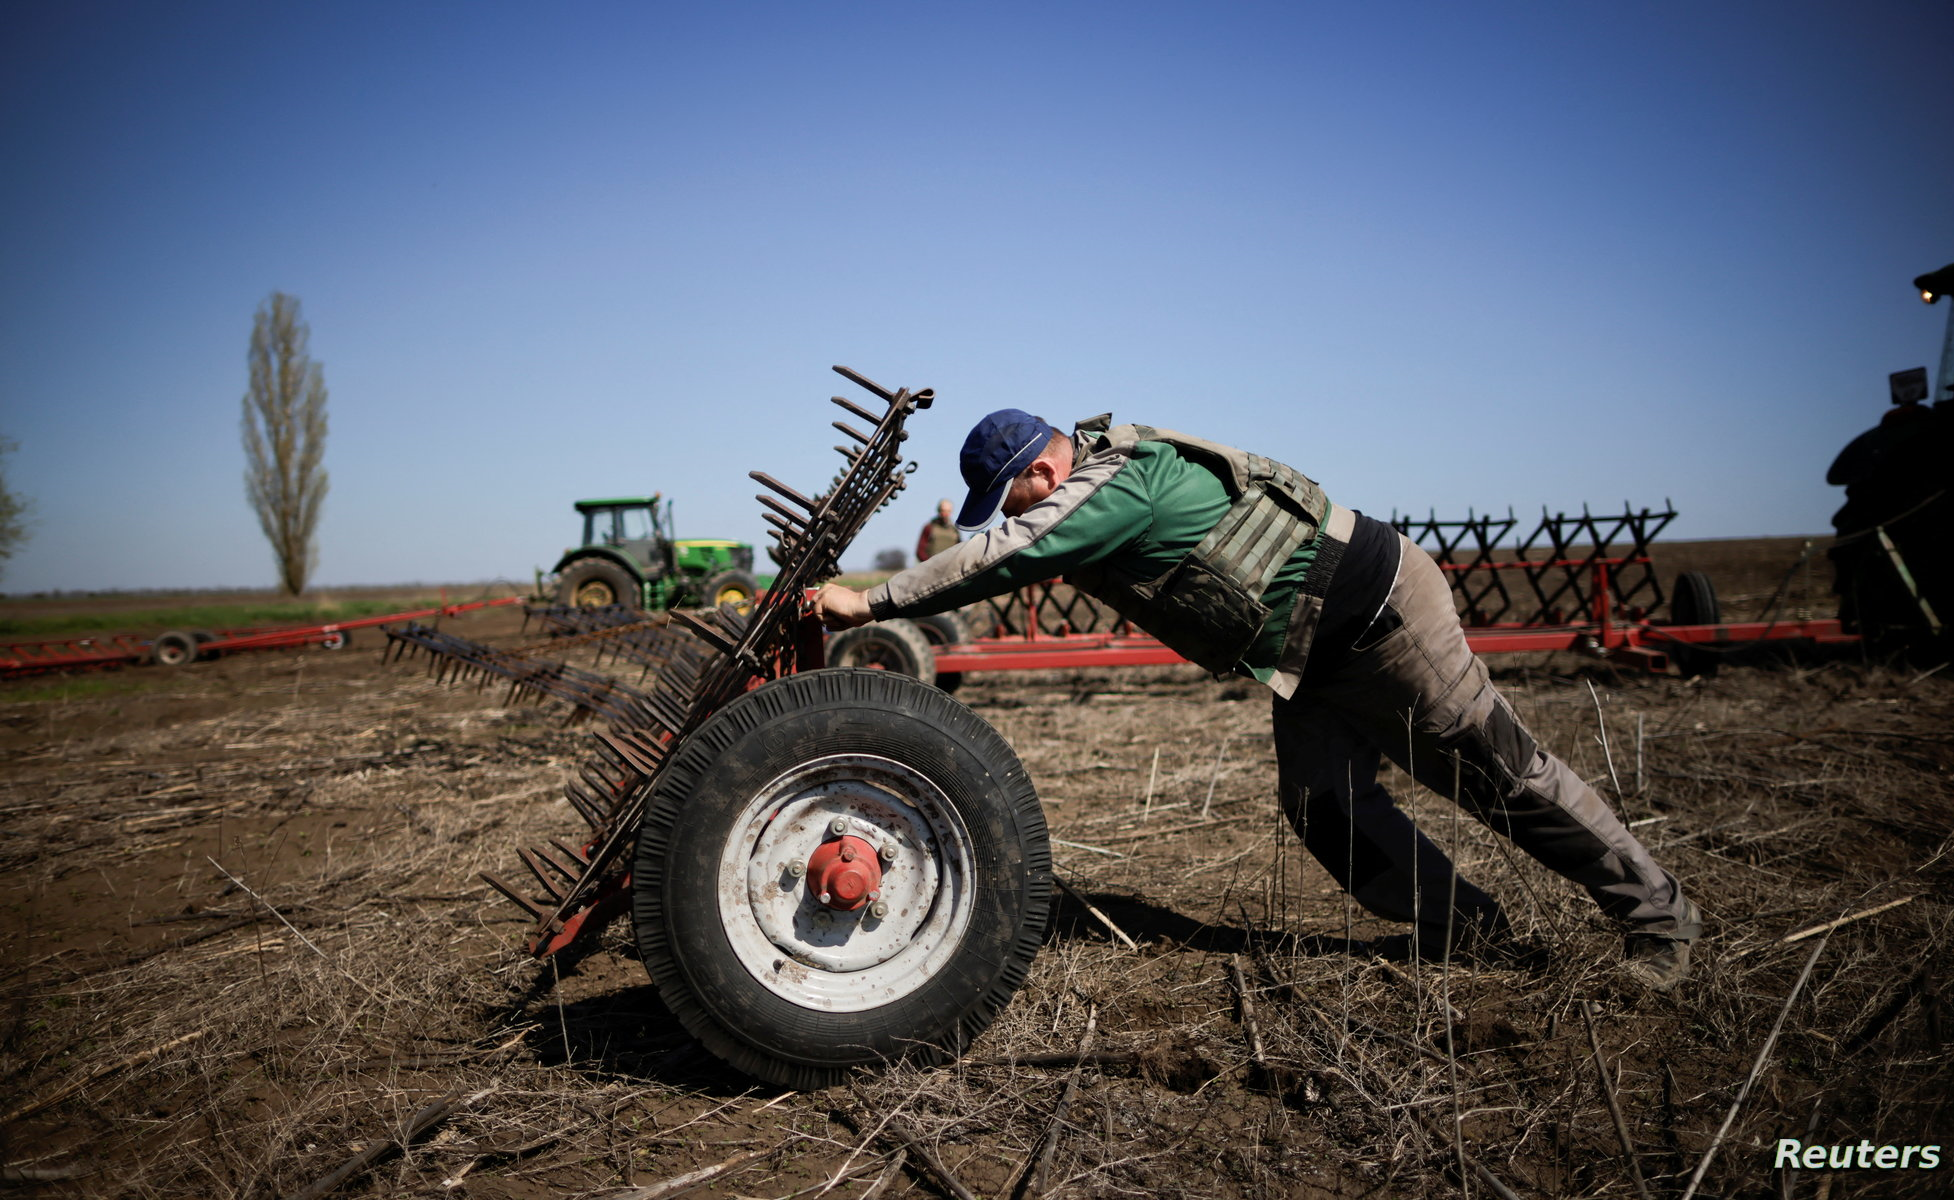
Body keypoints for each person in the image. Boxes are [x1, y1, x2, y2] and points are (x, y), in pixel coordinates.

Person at [817, 408, 1702, 991]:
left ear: (1041, 475)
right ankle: (1465, 930)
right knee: (1324, 806)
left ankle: (1660, 920)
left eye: (1008, 501)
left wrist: (873, 600)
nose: (1009, 518)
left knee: (1497, 774)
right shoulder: (1096, 483)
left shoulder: (1114, 484)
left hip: (1377, 612)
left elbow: (1005, 557)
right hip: (1307, 653)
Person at [916, 498, 961, 562]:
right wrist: (929, 564)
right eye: (943, 510)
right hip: (931, 567)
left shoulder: (955, 530)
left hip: (950, 567)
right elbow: (920, 551)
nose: (945, 514)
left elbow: (960, 550)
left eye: (948, 511)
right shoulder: (929, 527)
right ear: (938, 511)